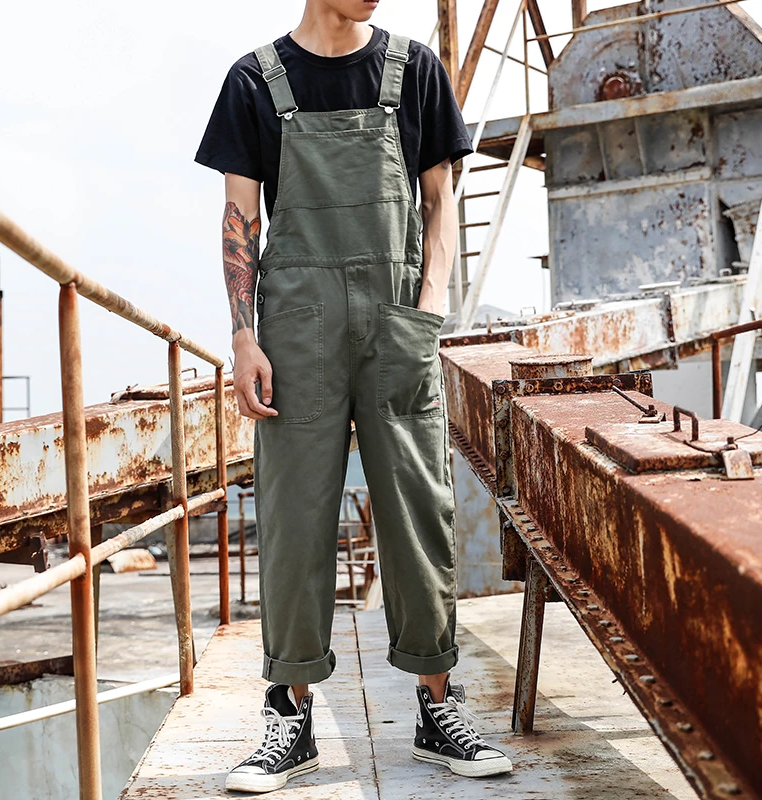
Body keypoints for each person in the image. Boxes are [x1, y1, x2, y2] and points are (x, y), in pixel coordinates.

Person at [195, 0, 513, 792]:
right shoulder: (254, 81)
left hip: (397, 318)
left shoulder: (415, 70)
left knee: (418, 505)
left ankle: (438, 705)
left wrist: (428, 311)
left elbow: (440, 201)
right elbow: (239, 217)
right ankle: (290, 715)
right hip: (295, 329)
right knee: (295, 514)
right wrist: (242, 336)